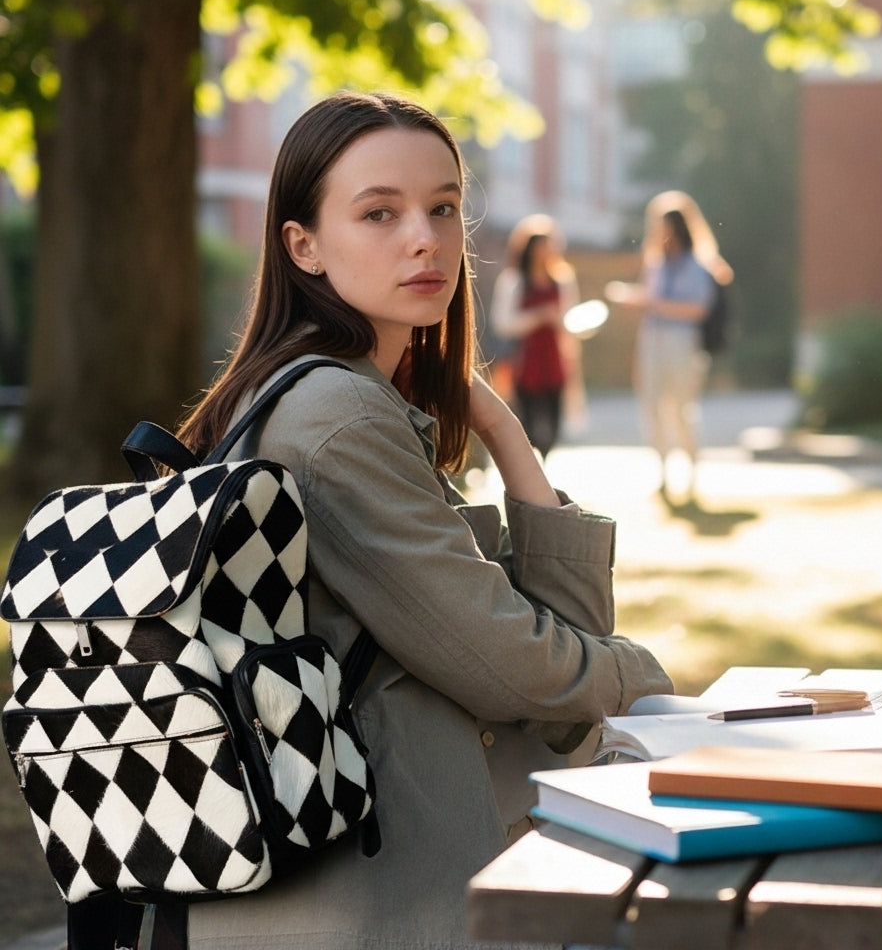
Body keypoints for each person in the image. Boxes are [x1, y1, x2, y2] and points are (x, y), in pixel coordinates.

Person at [174, 92, 672, 950]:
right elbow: (522, 671)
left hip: (394, 881)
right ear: (304, 246)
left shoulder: (341, 396)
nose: (426, 238)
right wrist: (649, 679)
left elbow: (552, 640)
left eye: (444, 207)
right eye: (380, 212)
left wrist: (503, 429)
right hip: (384, 906)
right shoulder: (337, 418)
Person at [606, 190, 733, 504]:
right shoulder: (656, 263)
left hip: (682, 342)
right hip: (653, 340)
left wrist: (651, 302)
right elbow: (652, 300)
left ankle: (691, 473)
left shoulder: (698, 265)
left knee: (680, 409)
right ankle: (662, 472)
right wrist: (634, 299)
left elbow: (697, 308)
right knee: (651, 406)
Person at [488, 214, 582, 459]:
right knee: (527, 421)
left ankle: (546, 466)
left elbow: (571, 320)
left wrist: (558, 322)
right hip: (524, 360)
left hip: (554, 359)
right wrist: (537, 317)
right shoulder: (514, 281)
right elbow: (502, 322)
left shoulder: (562, 281)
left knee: (554, 420)